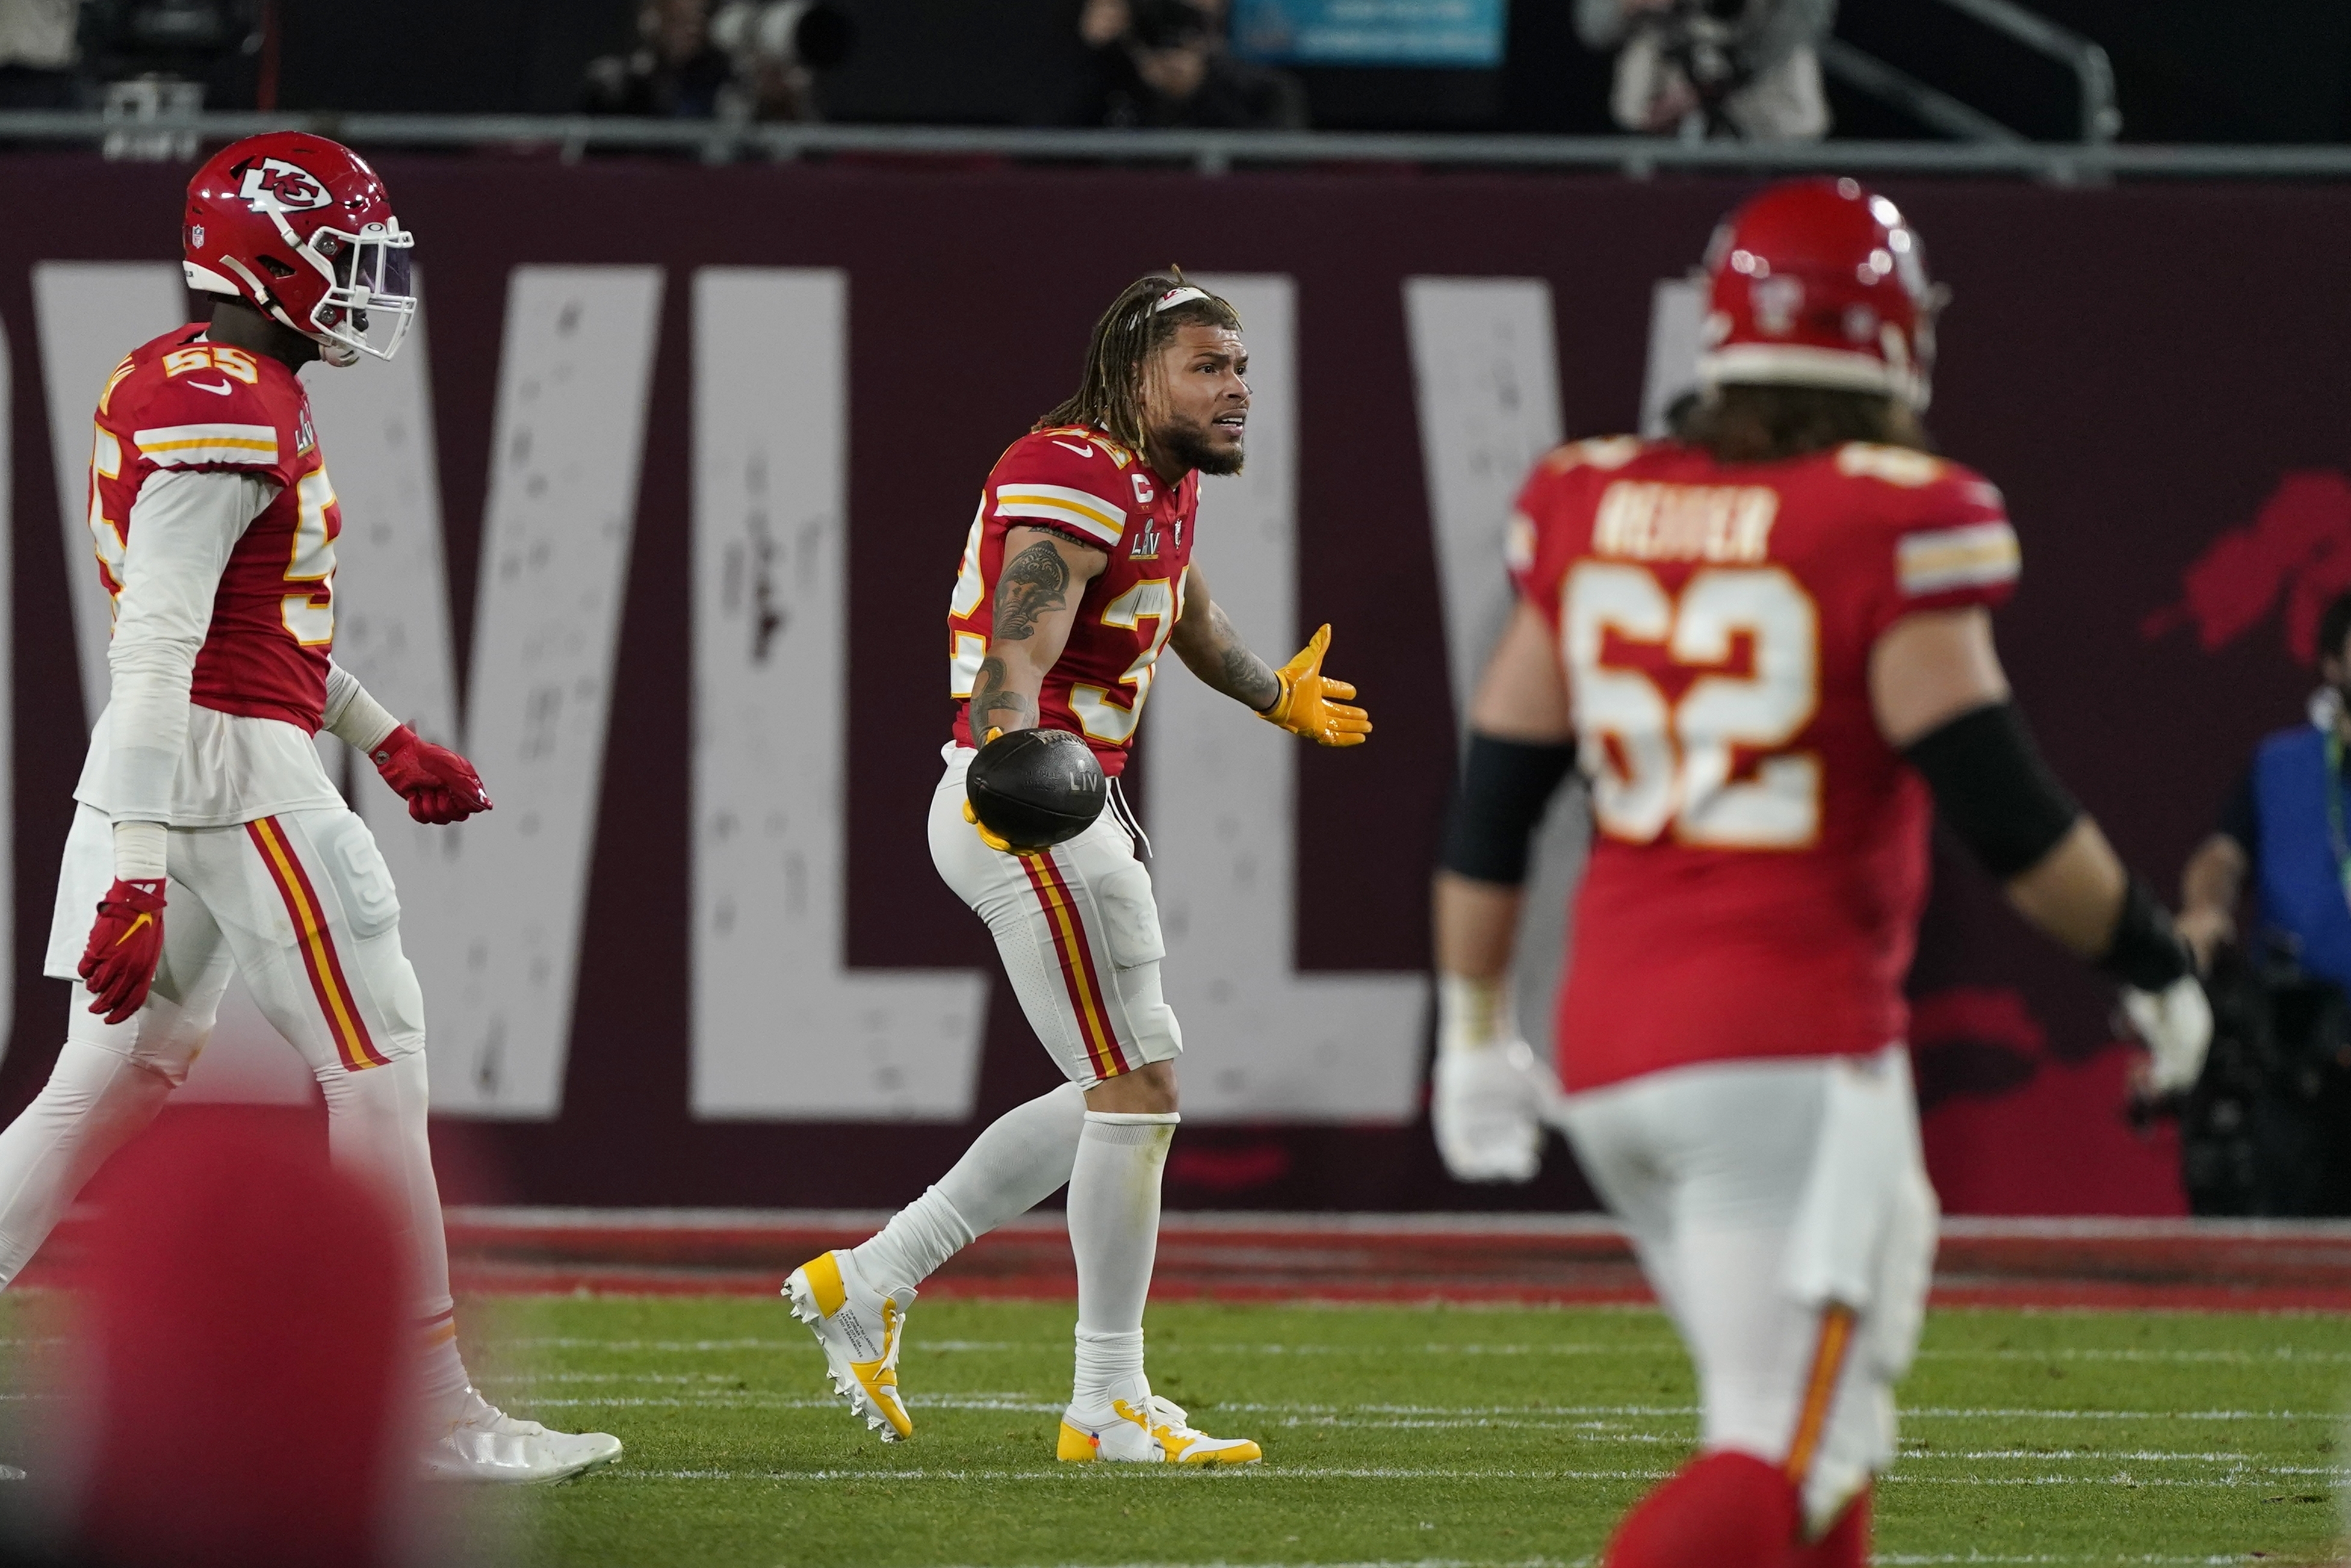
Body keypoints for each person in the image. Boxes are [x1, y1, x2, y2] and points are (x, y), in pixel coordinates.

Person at [1428, 178, 2210, 1565]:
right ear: (1889, 339)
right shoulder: (1886, 517)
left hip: (1611, 1043)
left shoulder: (1588, 496)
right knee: (1791, 1449)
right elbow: (2004, 804)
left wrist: (1477, 1028)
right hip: (1786, 1050)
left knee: (1803, 1438)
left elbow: (1497, 798)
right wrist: (2150, 957)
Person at [0, 132, 619, 1484]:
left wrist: (382, 733)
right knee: (379, 1061)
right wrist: (146, 865)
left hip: (188, 758)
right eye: (346, 253)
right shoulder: (230, 405)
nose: (367, 282)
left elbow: (239, 631)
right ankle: (436, 1408)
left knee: (111, 1076)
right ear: (268, 256)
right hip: (219, 775)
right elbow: (164, 645)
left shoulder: (207, 380)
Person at [785, 271, 1368, 1464]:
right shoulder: (1076, 469)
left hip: (1059, 798)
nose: (1237, 386)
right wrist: (1013, 758)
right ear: (1133, 374)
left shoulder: (1156, 480)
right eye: (1208, 366)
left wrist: (1273, 694)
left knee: (1126, 1091)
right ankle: (1105, 1402)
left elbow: (1180, 607)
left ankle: (879, 1276)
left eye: (1242, 365)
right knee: (1139, 1094)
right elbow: (1023, 631)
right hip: (1031, 803)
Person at [1576, 0, 1833, 141]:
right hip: (1662, 123)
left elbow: (1809, 16)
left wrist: (1720, 82)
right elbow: (1594, 27)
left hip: (1771, 120)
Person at [1079, 0, 1307, 130]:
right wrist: (1102, 50)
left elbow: (1277, 166)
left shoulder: (1268, 88)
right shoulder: (1123, 71)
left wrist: (1201, 89)